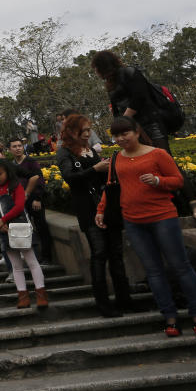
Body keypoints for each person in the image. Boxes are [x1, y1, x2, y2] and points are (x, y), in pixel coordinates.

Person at [95, 116, 196, 337]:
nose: (121, 138)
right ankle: (170, 318)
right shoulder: (116, 158)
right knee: (153, 272)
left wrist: (158, 181)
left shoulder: (157, 154)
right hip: (133, 221)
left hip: (163, 217)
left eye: (125, 133)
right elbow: (112, 187)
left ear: (137, 131)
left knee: (180, 266)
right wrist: (101, 209)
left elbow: (178, 180)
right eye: (116, 135)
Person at [57, 114, 132, 317]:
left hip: (107, 207)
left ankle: (125, 299)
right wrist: (95, 168)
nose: (89, 133)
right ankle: (103, 303)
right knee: (99, 254)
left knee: (116, 254)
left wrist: (105, 168)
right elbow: (70, 178)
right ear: (73, 132)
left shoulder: (90, 151)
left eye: (89, 130)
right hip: (88, 209)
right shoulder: (65, 152)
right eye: (85, 130)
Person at [0, 160, 48, 309]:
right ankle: (22, 296)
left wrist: (2, 220)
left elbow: (19, 206)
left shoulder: (16, 187)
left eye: (0, 174)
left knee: (31, 261)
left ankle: (41, 294)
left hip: (20, 227)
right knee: (16, 266)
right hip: (5, 230)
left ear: (7, 173)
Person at [9, 138, 54, 264]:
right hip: (20, 202)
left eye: (19, 145)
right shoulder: (12, 165)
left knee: (41, 227)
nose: (18, 148)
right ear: (9, 149)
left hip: (33, 199)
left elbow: (39, 179)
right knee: (26, 229)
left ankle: (46, 257)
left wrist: (37, 198)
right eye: (14, 146)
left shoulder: (30, 161)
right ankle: (33, 257)